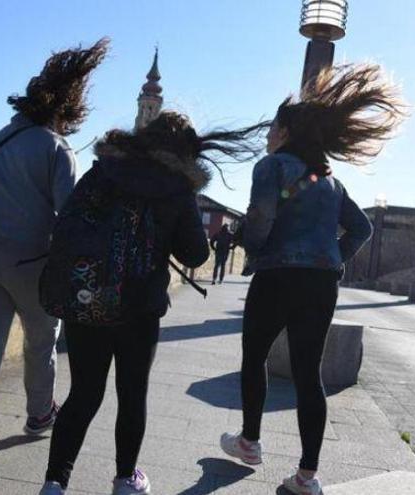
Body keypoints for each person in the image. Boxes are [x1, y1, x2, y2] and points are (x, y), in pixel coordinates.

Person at [39, 112, 265, 495]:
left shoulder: (104, 169)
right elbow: (194, 253)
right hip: (139, 307)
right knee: (132, 393)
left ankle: (54, 483)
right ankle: (126, 479)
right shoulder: (176, 188)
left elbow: (68, 223)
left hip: (87, 296)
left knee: (84, 394)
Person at [219, 64, 407, 495]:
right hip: (320, 285)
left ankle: (249, 442)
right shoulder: (330, 181)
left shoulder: (271, 167)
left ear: (284, 131)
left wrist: (255, 249)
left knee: (255, 357)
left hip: (277, 276)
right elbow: (362, 228)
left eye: (272, 127)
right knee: (309, 374)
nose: (267, 134)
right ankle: (307, 476)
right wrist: (332, 259)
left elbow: (262, 216)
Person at [0, 39, 109, 463]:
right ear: (67, 106)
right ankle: (39, 415)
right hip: (30, 265)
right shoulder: (56, 148)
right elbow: (69, 214)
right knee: (41, 342)